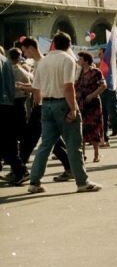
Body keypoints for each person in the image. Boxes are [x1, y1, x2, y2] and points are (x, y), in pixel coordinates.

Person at [27, 32, 102, 193]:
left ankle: (34, 182)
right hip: (63, 103)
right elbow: (68, 87)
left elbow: (36, 87)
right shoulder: (67, 60)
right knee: (74, 145)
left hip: (46, 104)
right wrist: (73, 109)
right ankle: (82, 182)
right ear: (69, 45)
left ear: (53, 44)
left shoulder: (43, 61)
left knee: (45, 145)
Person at [18, 38, 73, 181]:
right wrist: (26, 87)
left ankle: (21, 169)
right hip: (44, 104)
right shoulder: (40, 63)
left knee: (33, 138)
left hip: (44, 105)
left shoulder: (43, 63)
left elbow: (40, 88)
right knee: (50, 140)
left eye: (24, 50)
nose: (24, 54)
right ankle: (70, 166)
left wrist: (24, 88)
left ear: (31, 48)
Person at [0, 49, 28, 186]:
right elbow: (11, 86)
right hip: (8, 104)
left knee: (6, 141)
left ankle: (20, 170)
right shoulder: (5, 61)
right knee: (7, 140)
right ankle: (20, 170)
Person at [75, 52, 106, 162]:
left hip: (93, 104)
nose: (78, 60)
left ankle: (96, 154)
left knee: (94, 128)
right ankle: (82, 154)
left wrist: (92, 95)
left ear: (86, 61)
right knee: (81, 129)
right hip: (81, 104)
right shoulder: (78, 73)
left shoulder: (95, 72)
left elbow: (103, 85)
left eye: (80, 59)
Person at [97, 47, 117, 147]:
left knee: (113, 117)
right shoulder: (101, 65)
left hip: (111, 92)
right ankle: (105, 140)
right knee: (103, 117)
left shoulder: (112, 65)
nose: (99, 56)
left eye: (100, 54)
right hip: (103, 92)